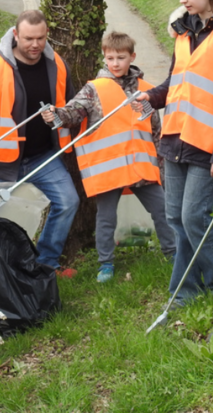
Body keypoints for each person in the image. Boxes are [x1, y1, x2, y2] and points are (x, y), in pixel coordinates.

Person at [134, 0, 213, 307]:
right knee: (175, 217)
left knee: (193, 217)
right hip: (175, 136)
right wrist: (152, 98)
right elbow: (177, 81)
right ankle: (186, 289)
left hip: (210, 142)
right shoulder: (182, 32)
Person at [42, 31, 176, 282]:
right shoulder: (94, 89)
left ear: (132, 57)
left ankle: (173, 253)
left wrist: (161, 166)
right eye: (110, 58)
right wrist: (57, 115)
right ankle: (105, 264)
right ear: (104, 57)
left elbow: (156, 131)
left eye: (121, 58)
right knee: (106, 217)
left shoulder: (147, 90)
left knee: (163, 210)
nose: (115, 63)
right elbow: (74, 112)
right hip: (108, 169)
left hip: (142, 167)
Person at [0, 9, 80, 274]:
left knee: (69, 201)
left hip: (43, 158)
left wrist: (60, 118)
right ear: (15, 35)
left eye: (40, 38)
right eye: (28, 38)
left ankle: (46, 265)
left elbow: (71, 107)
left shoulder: (57, 65)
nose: (35, 44)